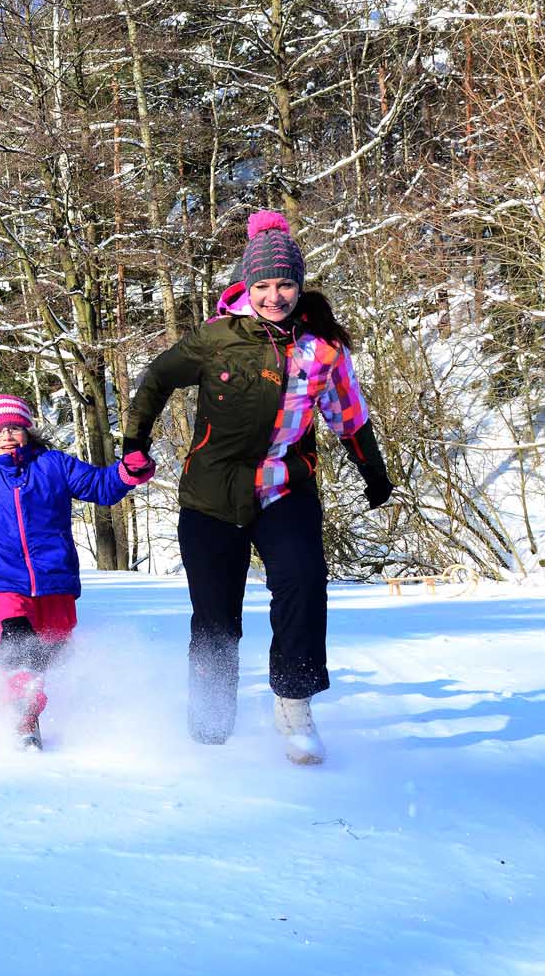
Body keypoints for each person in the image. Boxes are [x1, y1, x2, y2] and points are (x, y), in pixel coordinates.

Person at [119, 210, 393, 765]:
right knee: (216, 614)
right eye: (264, 285)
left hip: (284, 489)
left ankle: (293, 702)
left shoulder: (323, 352)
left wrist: (375, 474)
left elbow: (350, 417)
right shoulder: (215, 339)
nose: (275, 296)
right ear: (248, 285)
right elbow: (155, 379)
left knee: (303, 582)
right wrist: (134, 441)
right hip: (211, 497)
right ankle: (210, 722)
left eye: (286, 284)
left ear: (300, 285)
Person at [0, 393, 150, 750]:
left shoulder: (54, 465)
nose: (6, 436)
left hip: (55, 577)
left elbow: (99, 486)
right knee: (18, 636)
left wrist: (127, 472)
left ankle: (14, 699)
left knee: (55, 651)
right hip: (2, 577)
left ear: (28, 431)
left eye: (14, 428)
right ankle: (23, 714)